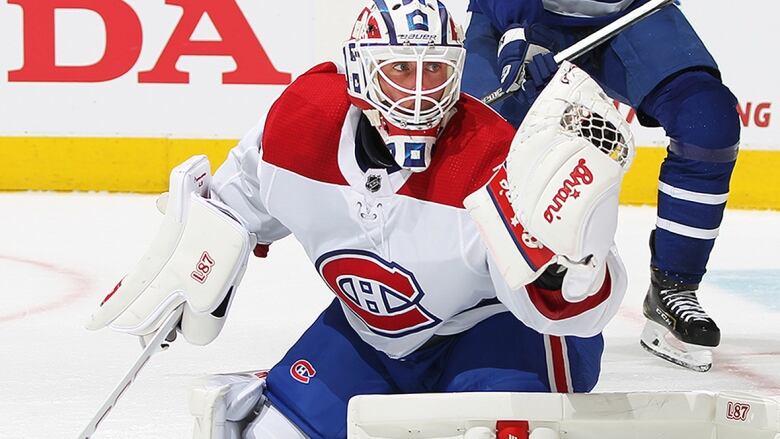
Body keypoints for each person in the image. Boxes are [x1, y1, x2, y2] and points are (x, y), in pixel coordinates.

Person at [86, 1, 633, 438]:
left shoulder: (492, 160)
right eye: (400, 69)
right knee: (273, 433)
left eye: (436, 70)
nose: (420, 92)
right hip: (370, 333)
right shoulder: (302, 123)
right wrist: (199, 250)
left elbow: (569, 316)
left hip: (492, 334)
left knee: (504, 432)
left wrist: (569, 274)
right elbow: (239, 198)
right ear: (359, 73)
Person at [460, 0, 741, 372]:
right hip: (519, 12)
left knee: (706, 117)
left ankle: (675, 286)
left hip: (630, 12)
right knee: (485, 134)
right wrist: (516, 32)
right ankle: (475, 298)